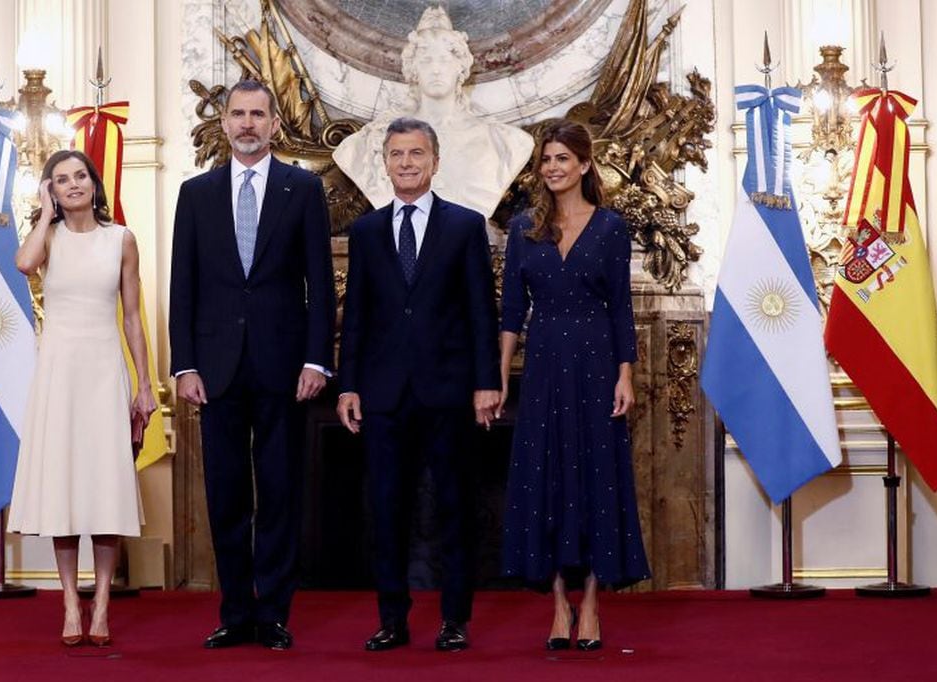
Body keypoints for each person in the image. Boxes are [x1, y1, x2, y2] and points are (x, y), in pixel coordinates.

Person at [169, 79, 336, 650]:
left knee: (282, 491)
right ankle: (236, 611)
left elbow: (321, 283)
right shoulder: (195, 193)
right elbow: (182, 288)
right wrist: (184, 364)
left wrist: (318, 359)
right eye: (237, 114)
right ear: (225, 122)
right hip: (214, 371)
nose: (246, 124)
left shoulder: (303, 188)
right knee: (226, 494)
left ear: (273, 123)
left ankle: (275, 615)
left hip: (285, 368)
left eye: (257, 114)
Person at [336, 117, 501, 652]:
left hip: (449, 392)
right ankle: (393, 620)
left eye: (416, 154)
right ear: (384, 163)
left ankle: (455, 619)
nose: (406, 163)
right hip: (383, 396)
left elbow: (482, 311)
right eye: (397, 155)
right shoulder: (365, 232)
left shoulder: (464, 226)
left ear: (435, 161)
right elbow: (355, 315)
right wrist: (348, 385)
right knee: (386, 511)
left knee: (454, 506)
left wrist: (486, 382)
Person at [496, 120, 650, 651]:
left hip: (596, 360)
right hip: (542, 364)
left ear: (585, 164)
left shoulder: (610, 227)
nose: (553, 168)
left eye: (563, 158)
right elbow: (512, 312)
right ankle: (558, 605)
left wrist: (625, 374)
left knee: (595, 478)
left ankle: (591, 605)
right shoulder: (523, 228)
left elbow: (622, 309)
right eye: (546, 160)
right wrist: (498, 375)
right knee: (547, 476)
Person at [9, 149, 156, 647]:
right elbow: (23, 263)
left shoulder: (122, 240)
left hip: (103, 370)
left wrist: (143, 384)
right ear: (50, 189)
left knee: (104, 489)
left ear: (94, 183)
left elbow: (133, 318)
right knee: (65, 487)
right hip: (59, 373)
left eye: (79, 176)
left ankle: (103, 605)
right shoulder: (46, 238)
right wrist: (45, 213)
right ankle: (71, 602)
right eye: (61, 180)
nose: (73, 185)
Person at [332, 7, 533, 219]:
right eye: (427, 60)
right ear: (413, 69)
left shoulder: (505, 142)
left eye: (445, 60)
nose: (436, 69)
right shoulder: (369, 142)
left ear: (461, 68)